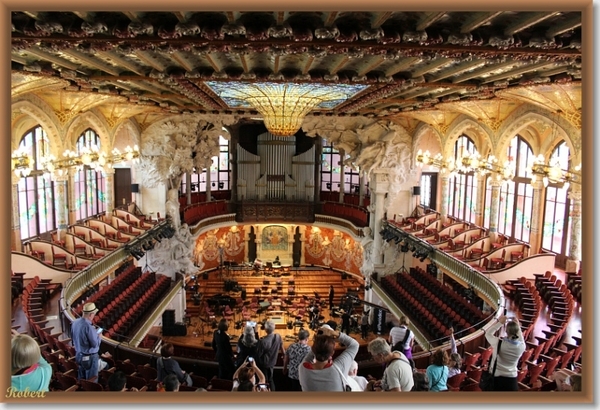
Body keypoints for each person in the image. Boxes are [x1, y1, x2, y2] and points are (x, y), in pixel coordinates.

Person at [298, 324, 359, 392]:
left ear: (313, 348)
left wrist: (319, 340)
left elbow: (313, 351)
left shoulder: (303, 369)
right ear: (332, 352)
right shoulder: (339, 368)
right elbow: (354, 345)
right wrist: (334, 333)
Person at [484, 315, 526, 391]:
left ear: (506, 331)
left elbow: (488, 334)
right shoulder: (522, 346)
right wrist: (517, 325)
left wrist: (500, 323)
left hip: (497, 378)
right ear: (517, 331)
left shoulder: (499, 343)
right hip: (511, 380)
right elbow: (520, 337)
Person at [71, 302, 102, 380]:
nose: (94, 316)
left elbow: (73, 338)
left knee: (82, 380)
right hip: (90, 357)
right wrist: (99, 336)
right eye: (94, 314)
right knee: (92, 381)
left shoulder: (75, 322)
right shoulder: (89, 327)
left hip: (78, 355)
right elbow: (95, 344)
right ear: (91, 314)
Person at [256, 319, 284, 391]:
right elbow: (282, 349)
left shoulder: (263, 341)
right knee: (271, 379)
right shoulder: (278, 337)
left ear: (265, 329)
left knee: (263, 380)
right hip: (273, 362)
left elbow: (258, 354)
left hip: (264, 364)